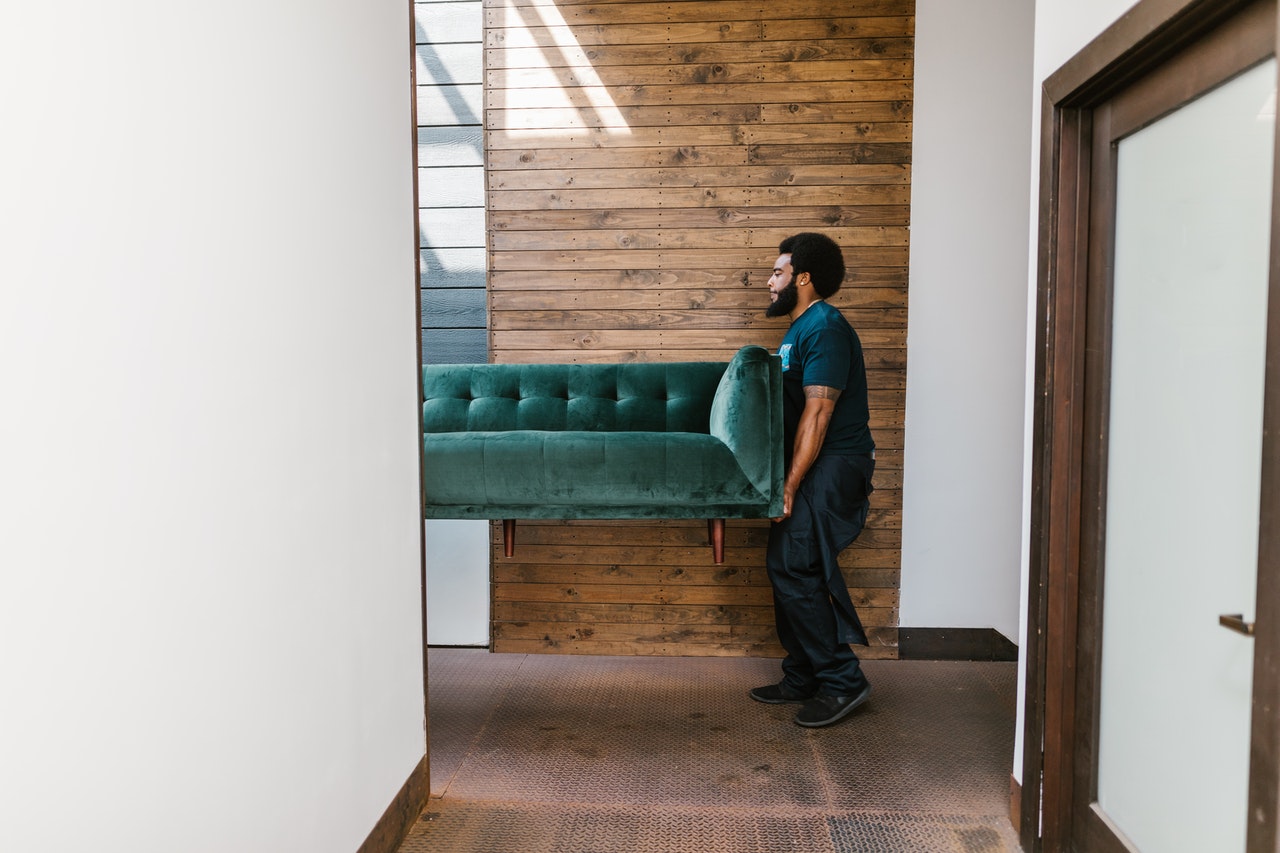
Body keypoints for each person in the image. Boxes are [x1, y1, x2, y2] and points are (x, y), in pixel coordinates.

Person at [750, 232, 876, 728]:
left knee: (795, 566)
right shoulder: (798, 329)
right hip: (813, 464)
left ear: (803, 277)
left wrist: (790, 483)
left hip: (834, 463)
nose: (769, 280)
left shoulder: (824, 327)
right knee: (786, 564)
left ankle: (843, 680)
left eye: (777, 272)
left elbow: (819, 413)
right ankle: (802, 674)